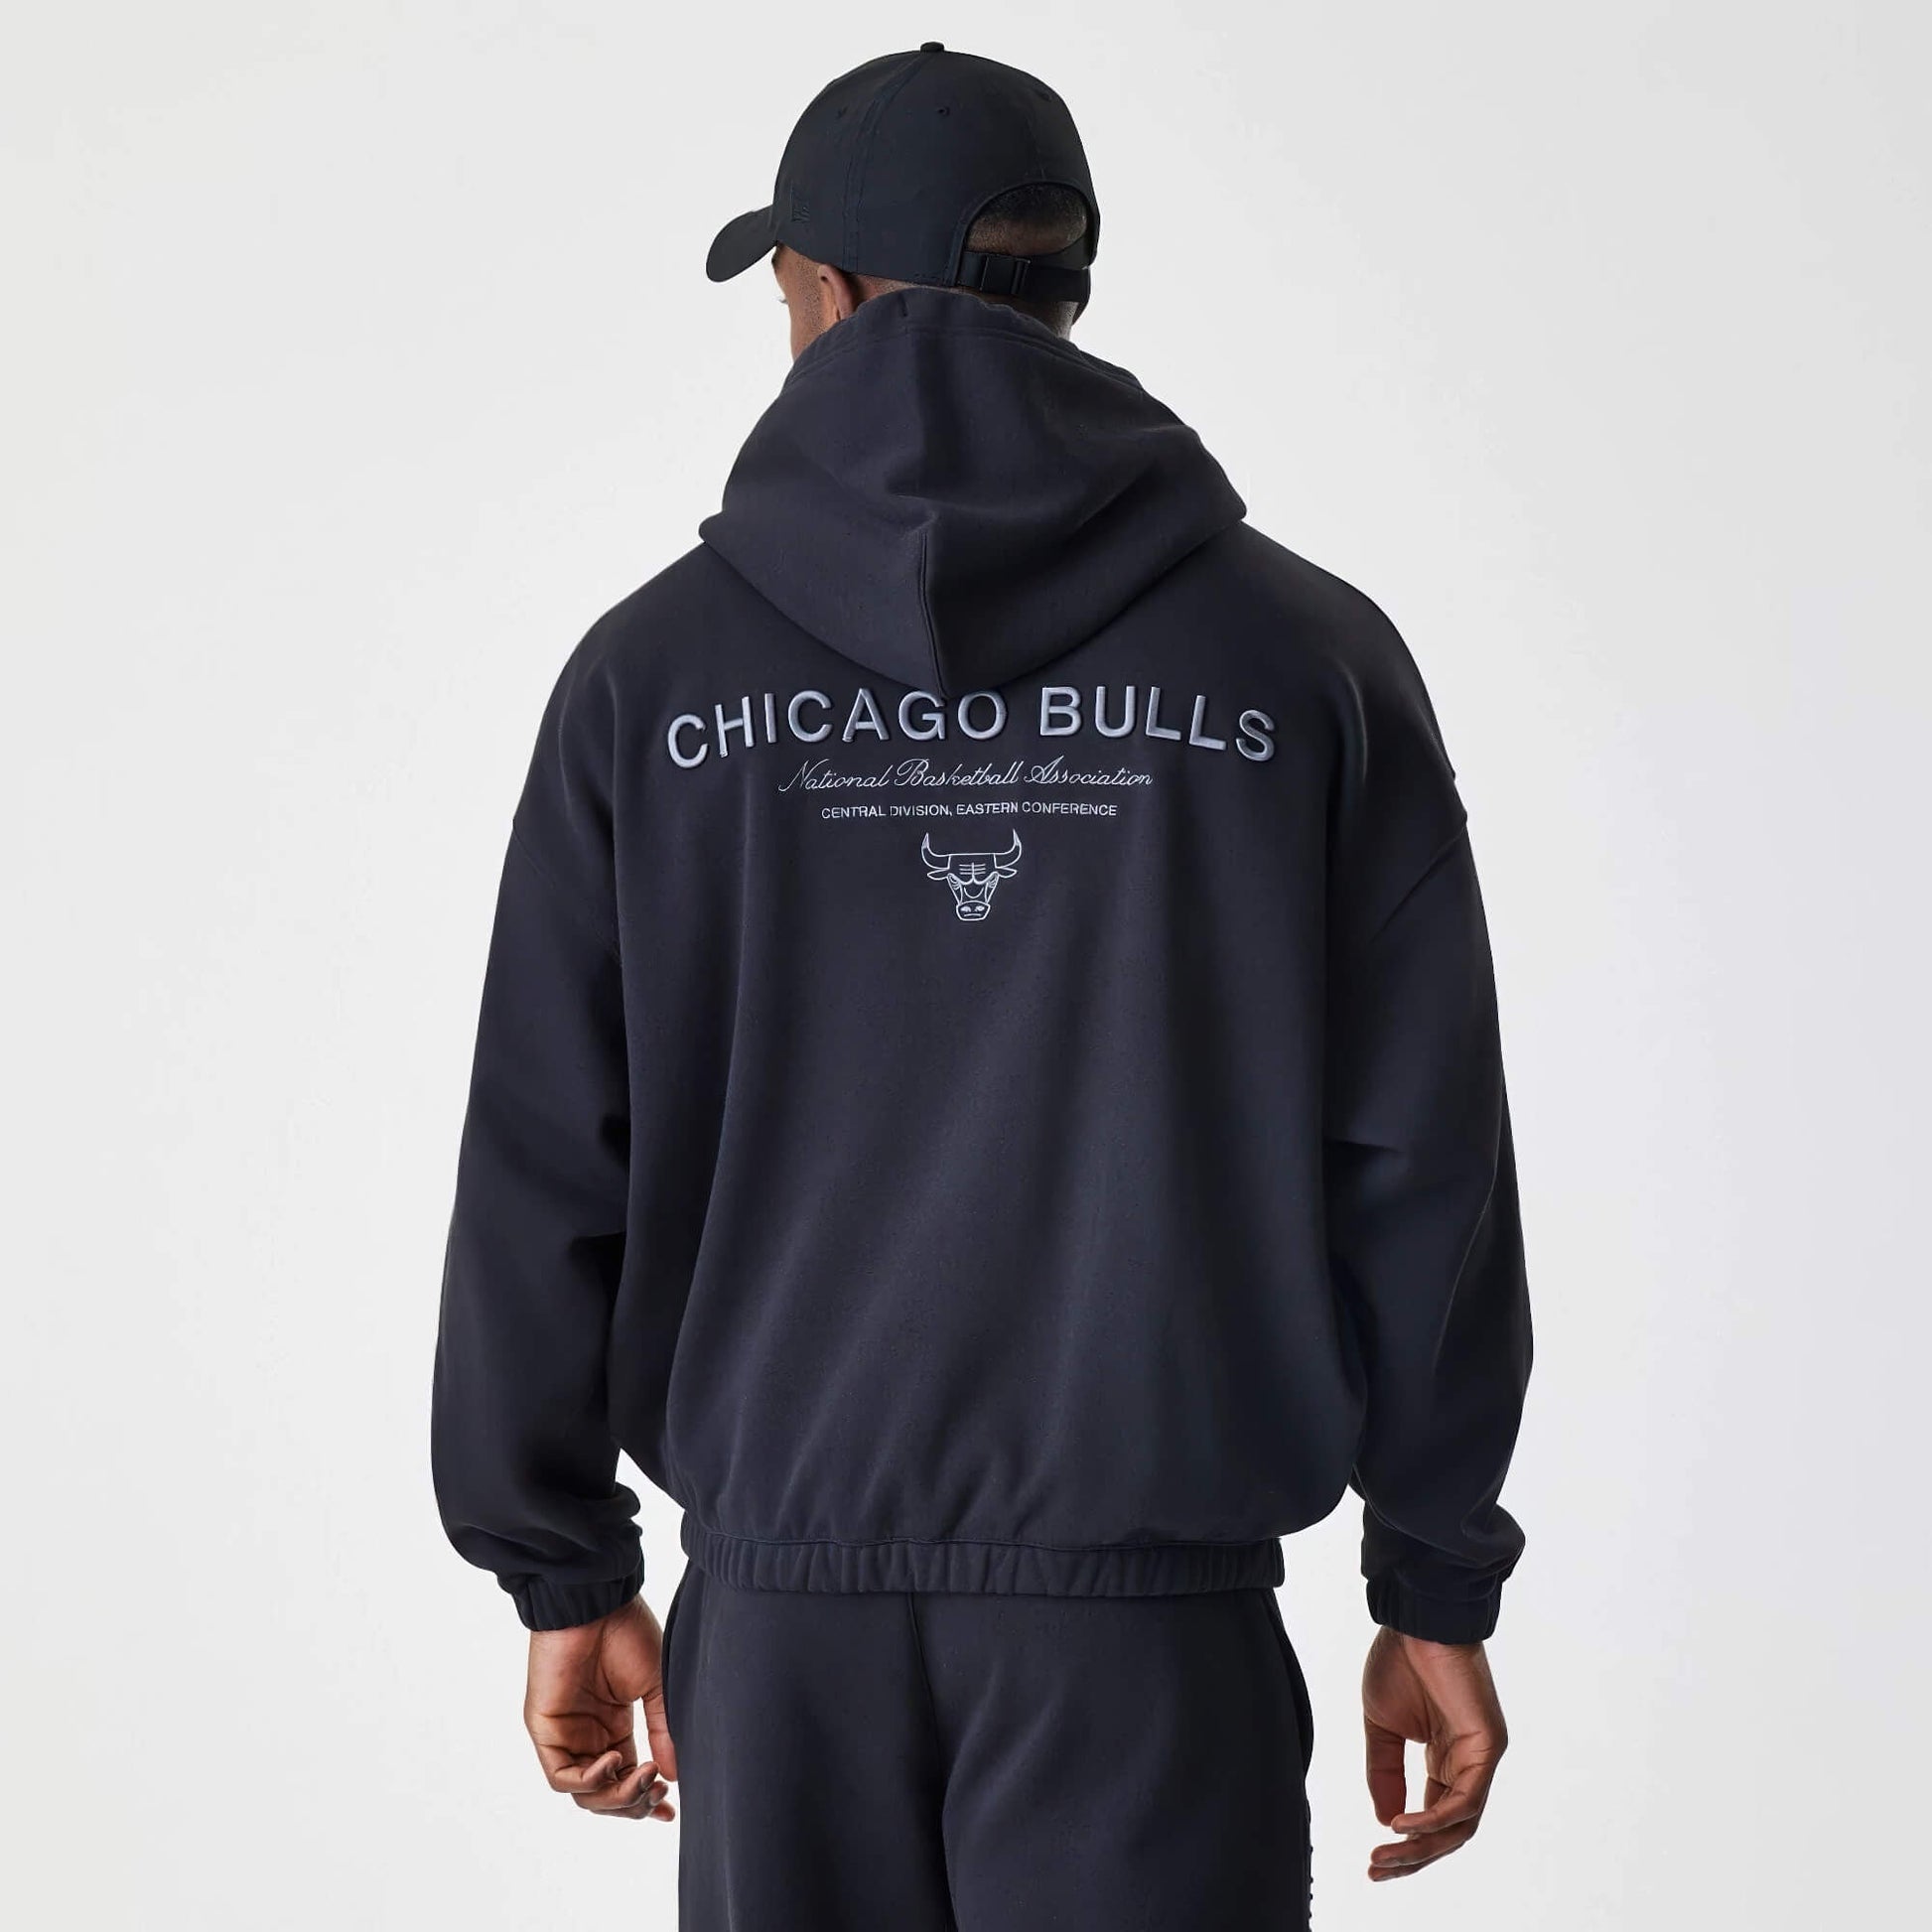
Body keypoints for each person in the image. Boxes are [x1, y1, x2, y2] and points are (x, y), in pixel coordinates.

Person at [433, 42, 1531, 1931]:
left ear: (826, 291)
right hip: (1154, 1643)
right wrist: (1430, 1572)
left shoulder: (651, 678)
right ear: (1062, 291)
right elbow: (1424, 1157)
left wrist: (562, 1569)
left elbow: (546, 1150)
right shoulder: (1303, 662)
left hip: (782, 1627)